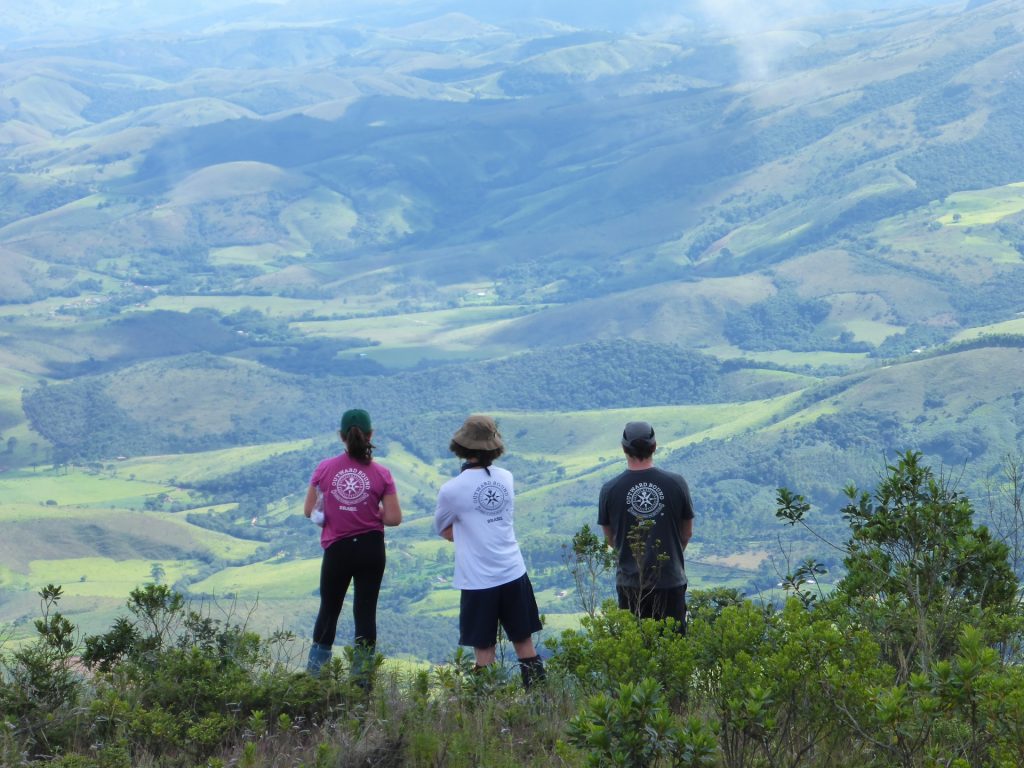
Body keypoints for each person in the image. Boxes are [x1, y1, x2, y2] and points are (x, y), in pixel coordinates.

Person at [434, 414, 546, 688]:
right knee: (524, 644)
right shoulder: (506, 478)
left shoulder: (451, 490)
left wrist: (469, 535)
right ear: (495, 447)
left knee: (483, 651)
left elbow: (444, 530)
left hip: (477, 579)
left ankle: (487, 712)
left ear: (461, 446)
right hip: (513, 572)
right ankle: (542, 703)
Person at [304, 408, 402, 680]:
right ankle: (361, 682)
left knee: (329, 609)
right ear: (371, 435)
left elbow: (308, 509)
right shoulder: (382, 473)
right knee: (365, 612)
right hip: (371, 549)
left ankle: (314, 678)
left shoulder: (325, 468)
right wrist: (372, 511)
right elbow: (394, 518)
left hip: (338, 549)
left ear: (341, 436)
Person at [598, 421, 694, 632]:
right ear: (654, 446)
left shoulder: (610, 489)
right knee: (675, 649)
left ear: (624, 448)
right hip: (670, 580)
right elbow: (687, 533)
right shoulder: (676, 483)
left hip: (630, 584)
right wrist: (669, 557)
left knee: (635, 653)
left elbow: (612, 539)